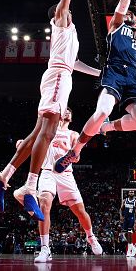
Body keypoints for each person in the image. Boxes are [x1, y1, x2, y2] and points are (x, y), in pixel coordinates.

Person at [0, 0, 100, 218]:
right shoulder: (60, 20)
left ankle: (1, 176)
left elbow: (75, 63)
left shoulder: (69, 34)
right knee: (47, 133)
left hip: (63, 76)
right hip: (58, 77)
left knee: (38, 133)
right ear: (59, 13)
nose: (69, 10)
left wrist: (100, 73)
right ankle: (29, 186)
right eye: (65, 8)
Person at [54, 0, 136, 173]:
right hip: (114, 71)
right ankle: (75, 151)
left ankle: (106, 128)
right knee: (102, 112)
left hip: (133, 77)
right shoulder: (115, 26)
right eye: (128, 13)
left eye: (133, 14)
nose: (131, 14)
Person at [13, 108, 103, 262]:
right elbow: (30, 142)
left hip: (66, 175)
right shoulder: (47, 131)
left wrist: (74, 156)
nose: (67, 112)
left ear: (71, 118)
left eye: (70, 111)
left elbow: (77, 155)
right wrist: (21, 143)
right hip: (47, 172)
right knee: (44, 204)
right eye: (65, 110)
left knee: (80, 211)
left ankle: (91, 237)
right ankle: (45, 248)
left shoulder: (73, 134)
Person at [120, 190, 136, 257]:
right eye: (130, 192)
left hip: (131, 218)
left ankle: (129, 250)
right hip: (125, 218)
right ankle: (133, 248)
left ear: (134, 194)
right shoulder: (125, 201)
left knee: (129, 233)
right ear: (128, 193)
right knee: (125, 234)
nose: (131, 193)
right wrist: (121, 216)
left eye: (133, 192)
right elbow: (121, 209)